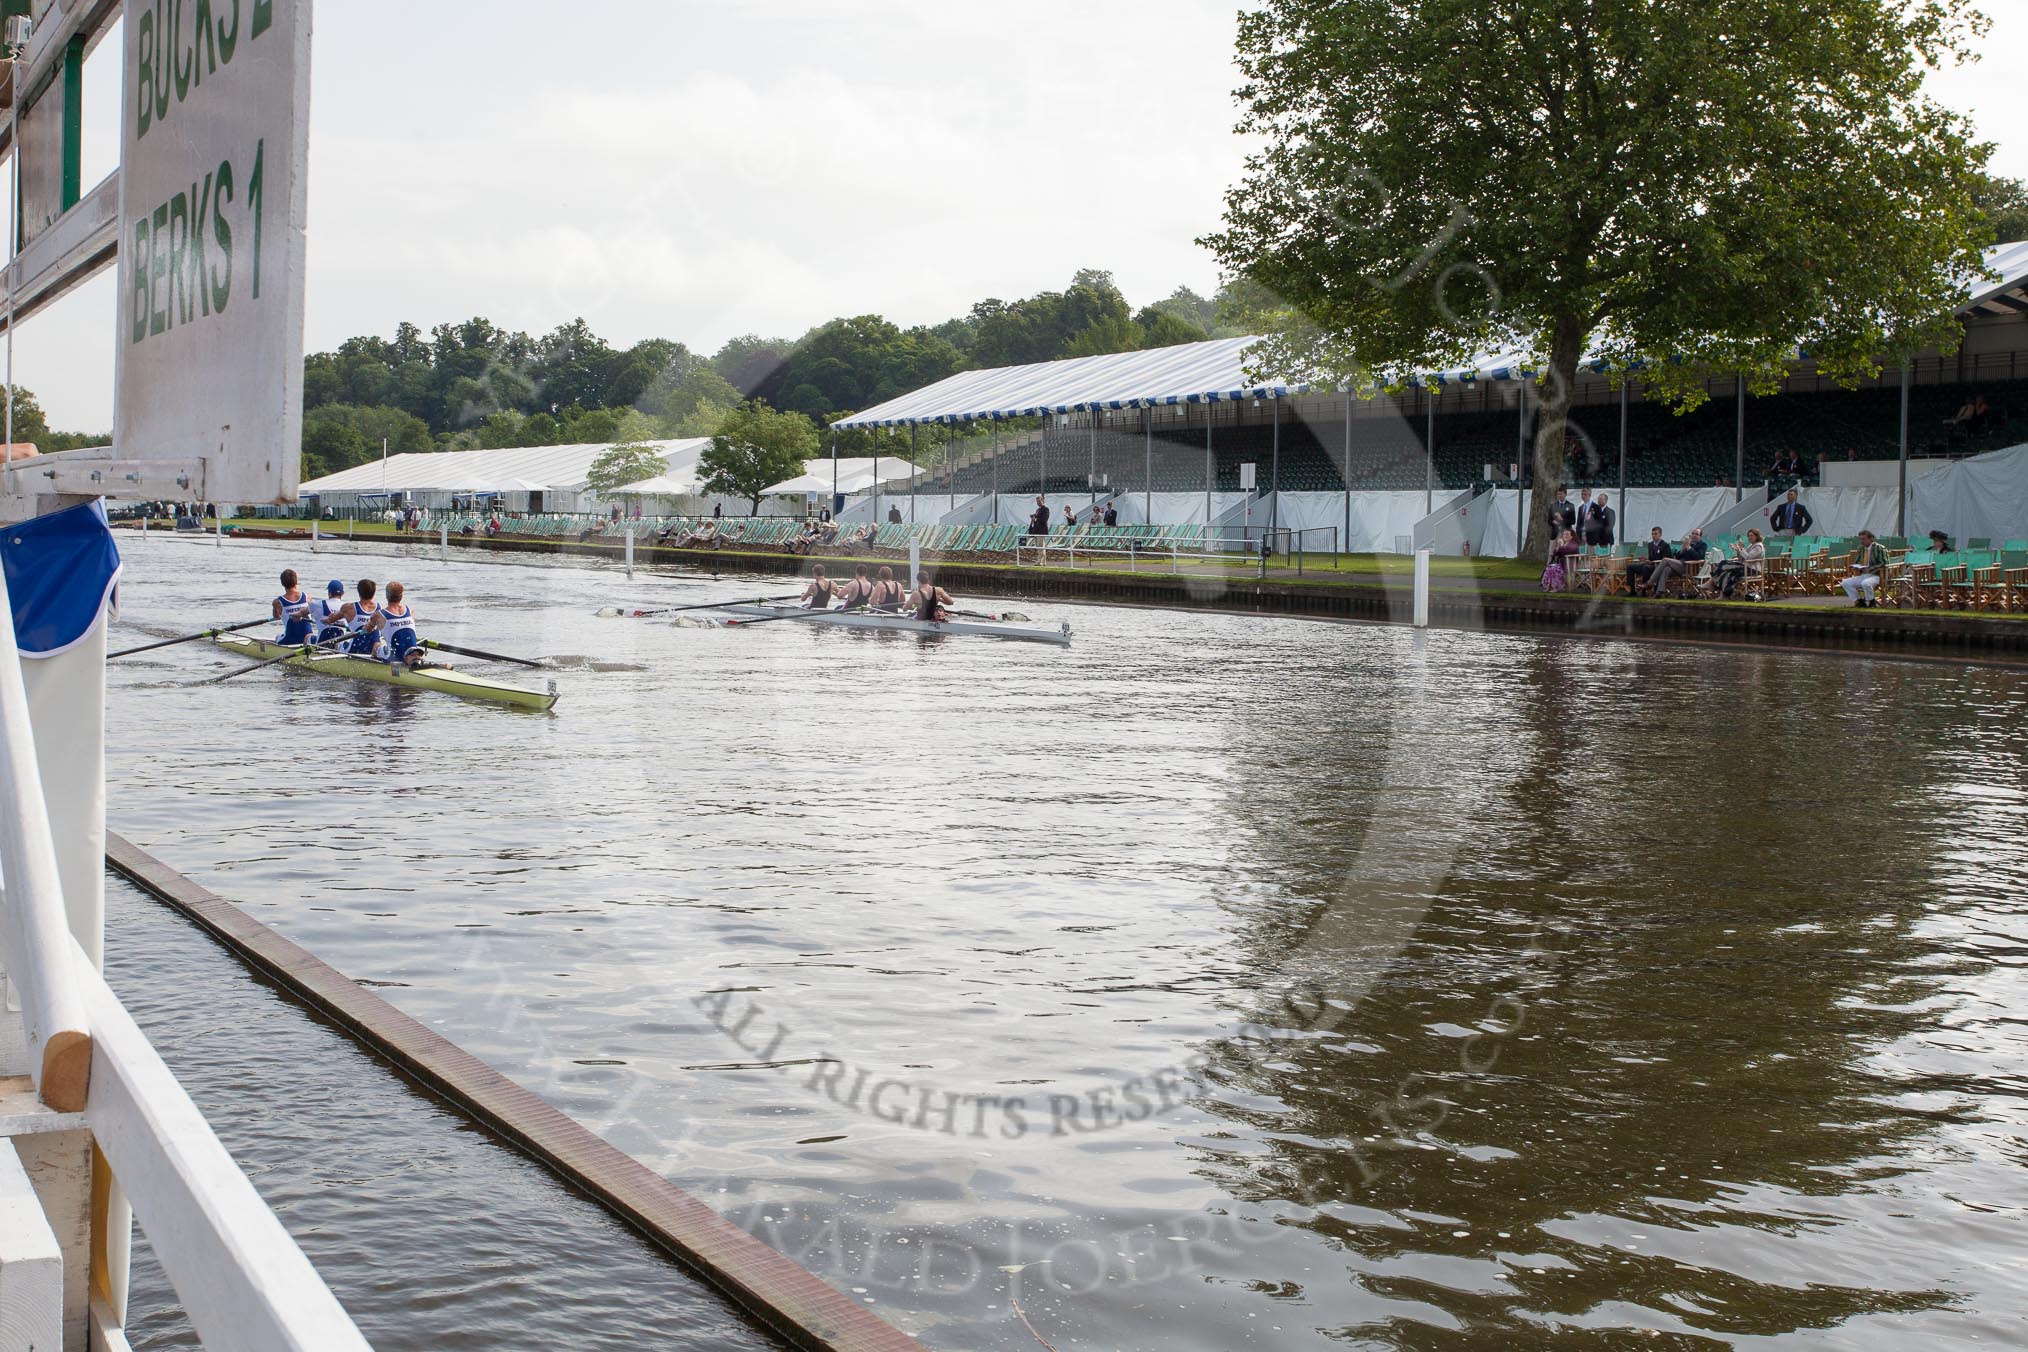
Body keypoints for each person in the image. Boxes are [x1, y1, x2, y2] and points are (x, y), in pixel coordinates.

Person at [367, 580, 432, 668]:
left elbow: (367, 629)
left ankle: (373, 666)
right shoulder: (410, 610)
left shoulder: (378, 615)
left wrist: (368, 627)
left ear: (387, 596)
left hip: (394, 657)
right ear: (401, 596)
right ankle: (413, 661)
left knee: (377, 644)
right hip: (413, 653)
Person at [1647, 528, 1708, 597]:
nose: (1694, 535)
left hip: (1690, 567)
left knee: (1665, 560)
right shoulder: (1688, 543)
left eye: (1696, 534)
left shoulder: (1702, 545)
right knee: (1666, 569)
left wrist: (1689, 548)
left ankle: (1650, 582)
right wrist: (1683, 549)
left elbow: (1699, 557)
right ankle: (1659, 592)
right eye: (1693, 533)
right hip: (1680, 565)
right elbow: (1677, 556)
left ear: (1700, 536)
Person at [1712, 527, 1766, 599]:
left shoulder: (1758, 546)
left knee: (1723, 563)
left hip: (1753, 570)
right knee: (1728, 573)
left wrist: (1741, 548)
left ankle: (1714, 579)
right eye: (1749, 536)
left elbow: (1748, 558)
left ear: (1757, 536)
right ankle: (1724, 594)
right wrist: (1738, 550)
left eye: (1752, 535)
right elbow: (1741, 559)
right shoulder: (1751, 545)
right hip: (1746, 567)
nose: (1750, 537)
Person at [1840, 529, 1887, 607]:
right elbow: (1857, 561)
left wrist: (1870, 568)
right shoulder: (1861, 548)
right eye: (1860, 539)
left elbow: (1884, 563)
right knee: (1845, 583)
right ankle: (1859, 602)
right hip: (1865, 575)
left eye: (1864, 539)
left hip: (1878, 575)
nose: (1862, 541)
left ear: (1870, 539)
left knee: (1865, 583)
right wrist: (1855, 566)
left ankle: (1872, 602)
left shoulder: (1879, 548)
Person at [272, 570, 315, 645]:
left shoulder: (277, 602)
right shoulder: (307, 597)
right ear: (296, 581)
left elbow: (277, 617)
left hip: (289, 640)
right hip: (307, 639)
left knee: (277, 637)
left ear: (282, 584)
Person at [340, 579, 381, 656]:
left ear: (359, 592)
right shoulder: (381, 609)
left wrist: (327, 620)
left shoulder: (348, 608)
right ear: (374, 593)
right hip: (373, 650)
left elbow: (332, 618)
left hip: (354, 651)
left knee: (338, 643)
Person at [1626, 527, 1673, 592]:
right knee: (1630, 567)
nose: (1653, 536)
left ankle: (1644, 590)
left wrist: (1650, 561)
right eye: (1652, 534)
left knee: (1646, 568)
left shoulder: (1665, 545)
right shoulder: (1650, 545)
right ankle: (1632, 590)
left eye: (1655, 534)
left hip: (1658, 567)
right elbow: (1651, 558)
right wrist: (1645, 559)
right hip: (1650, 564)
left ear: (1660, 534)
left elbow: (1666, 560)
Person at [310, 580, 350, 644]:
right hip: (338, 645)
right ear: (342, 593)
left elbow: (304, 611)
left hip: (321, 644)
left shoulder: (318, 604)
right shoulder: (348, 607)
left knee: (308, 636)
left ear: (329, 593)